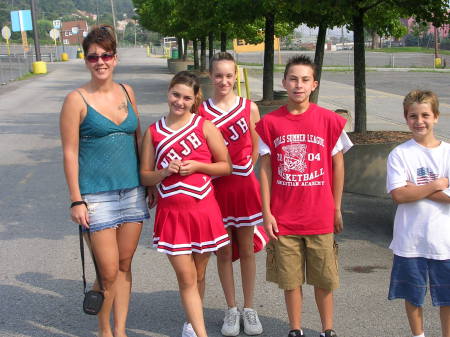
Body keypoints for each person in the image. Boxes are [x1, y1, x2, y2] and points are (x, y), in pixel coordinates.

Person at [60, 25, 151, 337]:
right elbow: (70, 153)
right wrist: (76, 199)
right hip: (96, 196)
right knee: (108, 271)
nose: (100, 61)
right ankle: (104, 331)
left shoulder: (127, 92)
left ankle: (120, 330)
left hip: (132, 192)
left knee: (124, 265)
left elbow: (138, 139)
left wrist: (147, 181)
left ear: (115, 58)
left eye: (106, 55)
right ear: (86, 60)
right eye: (93, 56)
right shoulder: (76, 100)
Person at [255, 55, 352, 337]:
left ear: (314, 85)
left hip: (319, 216)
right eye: (293, 79)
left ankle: (327, 329)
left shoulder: (329, 121)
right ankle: (295, 329)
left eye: (305, 80)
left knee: (324, 279)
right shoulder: (270, 123)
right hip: (284, 218)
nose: (299, 85)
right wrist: (267, 212)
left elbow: (338, 164)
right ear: (284, 82)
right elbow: (265, 169)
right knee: (290, 280)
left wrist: (336, 207)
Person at [140, 71, 232, 337]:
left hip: (204, 211)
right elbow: (145, 175)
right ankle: (201, 332)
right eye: (175, 94)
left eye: (186, 98)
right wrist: (165, 172)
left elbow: (225, 166)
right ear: (169, 92)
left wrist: (198, 166)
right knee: (186, 276)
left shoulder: (204, 126)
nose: (179, 101)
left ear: (195, 100)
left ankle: (193, 322)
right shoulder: (154, 132)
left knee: (199, 274)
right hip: (172, 214)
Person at [197, 52, 266, 336]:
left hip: (243, 185)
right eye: (218, 75)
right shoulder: (202, 111)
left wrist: (248, 163)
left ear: (236, 75)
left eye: (229, 75)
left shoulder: (249, 107)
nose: (224, 80)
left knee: (247, 249)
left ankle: (249, 308)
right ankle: (231, 308)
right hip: (216, 188)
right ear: (210, 76)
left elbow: (255, 140)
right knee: (223, 251)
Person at [386, 90, 450, 337]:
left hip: (444, 242)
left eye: (425, 115)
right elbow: (398, 195)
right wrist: (435, 185)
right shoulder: (400, 154)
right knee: (413, 296)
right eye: (413, 116)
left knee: (446, 298)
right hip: (410, 242)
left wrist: (413, 188)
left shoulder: (447, 152)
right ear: (406, 118)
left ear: (436, 116)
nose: (419, 121)